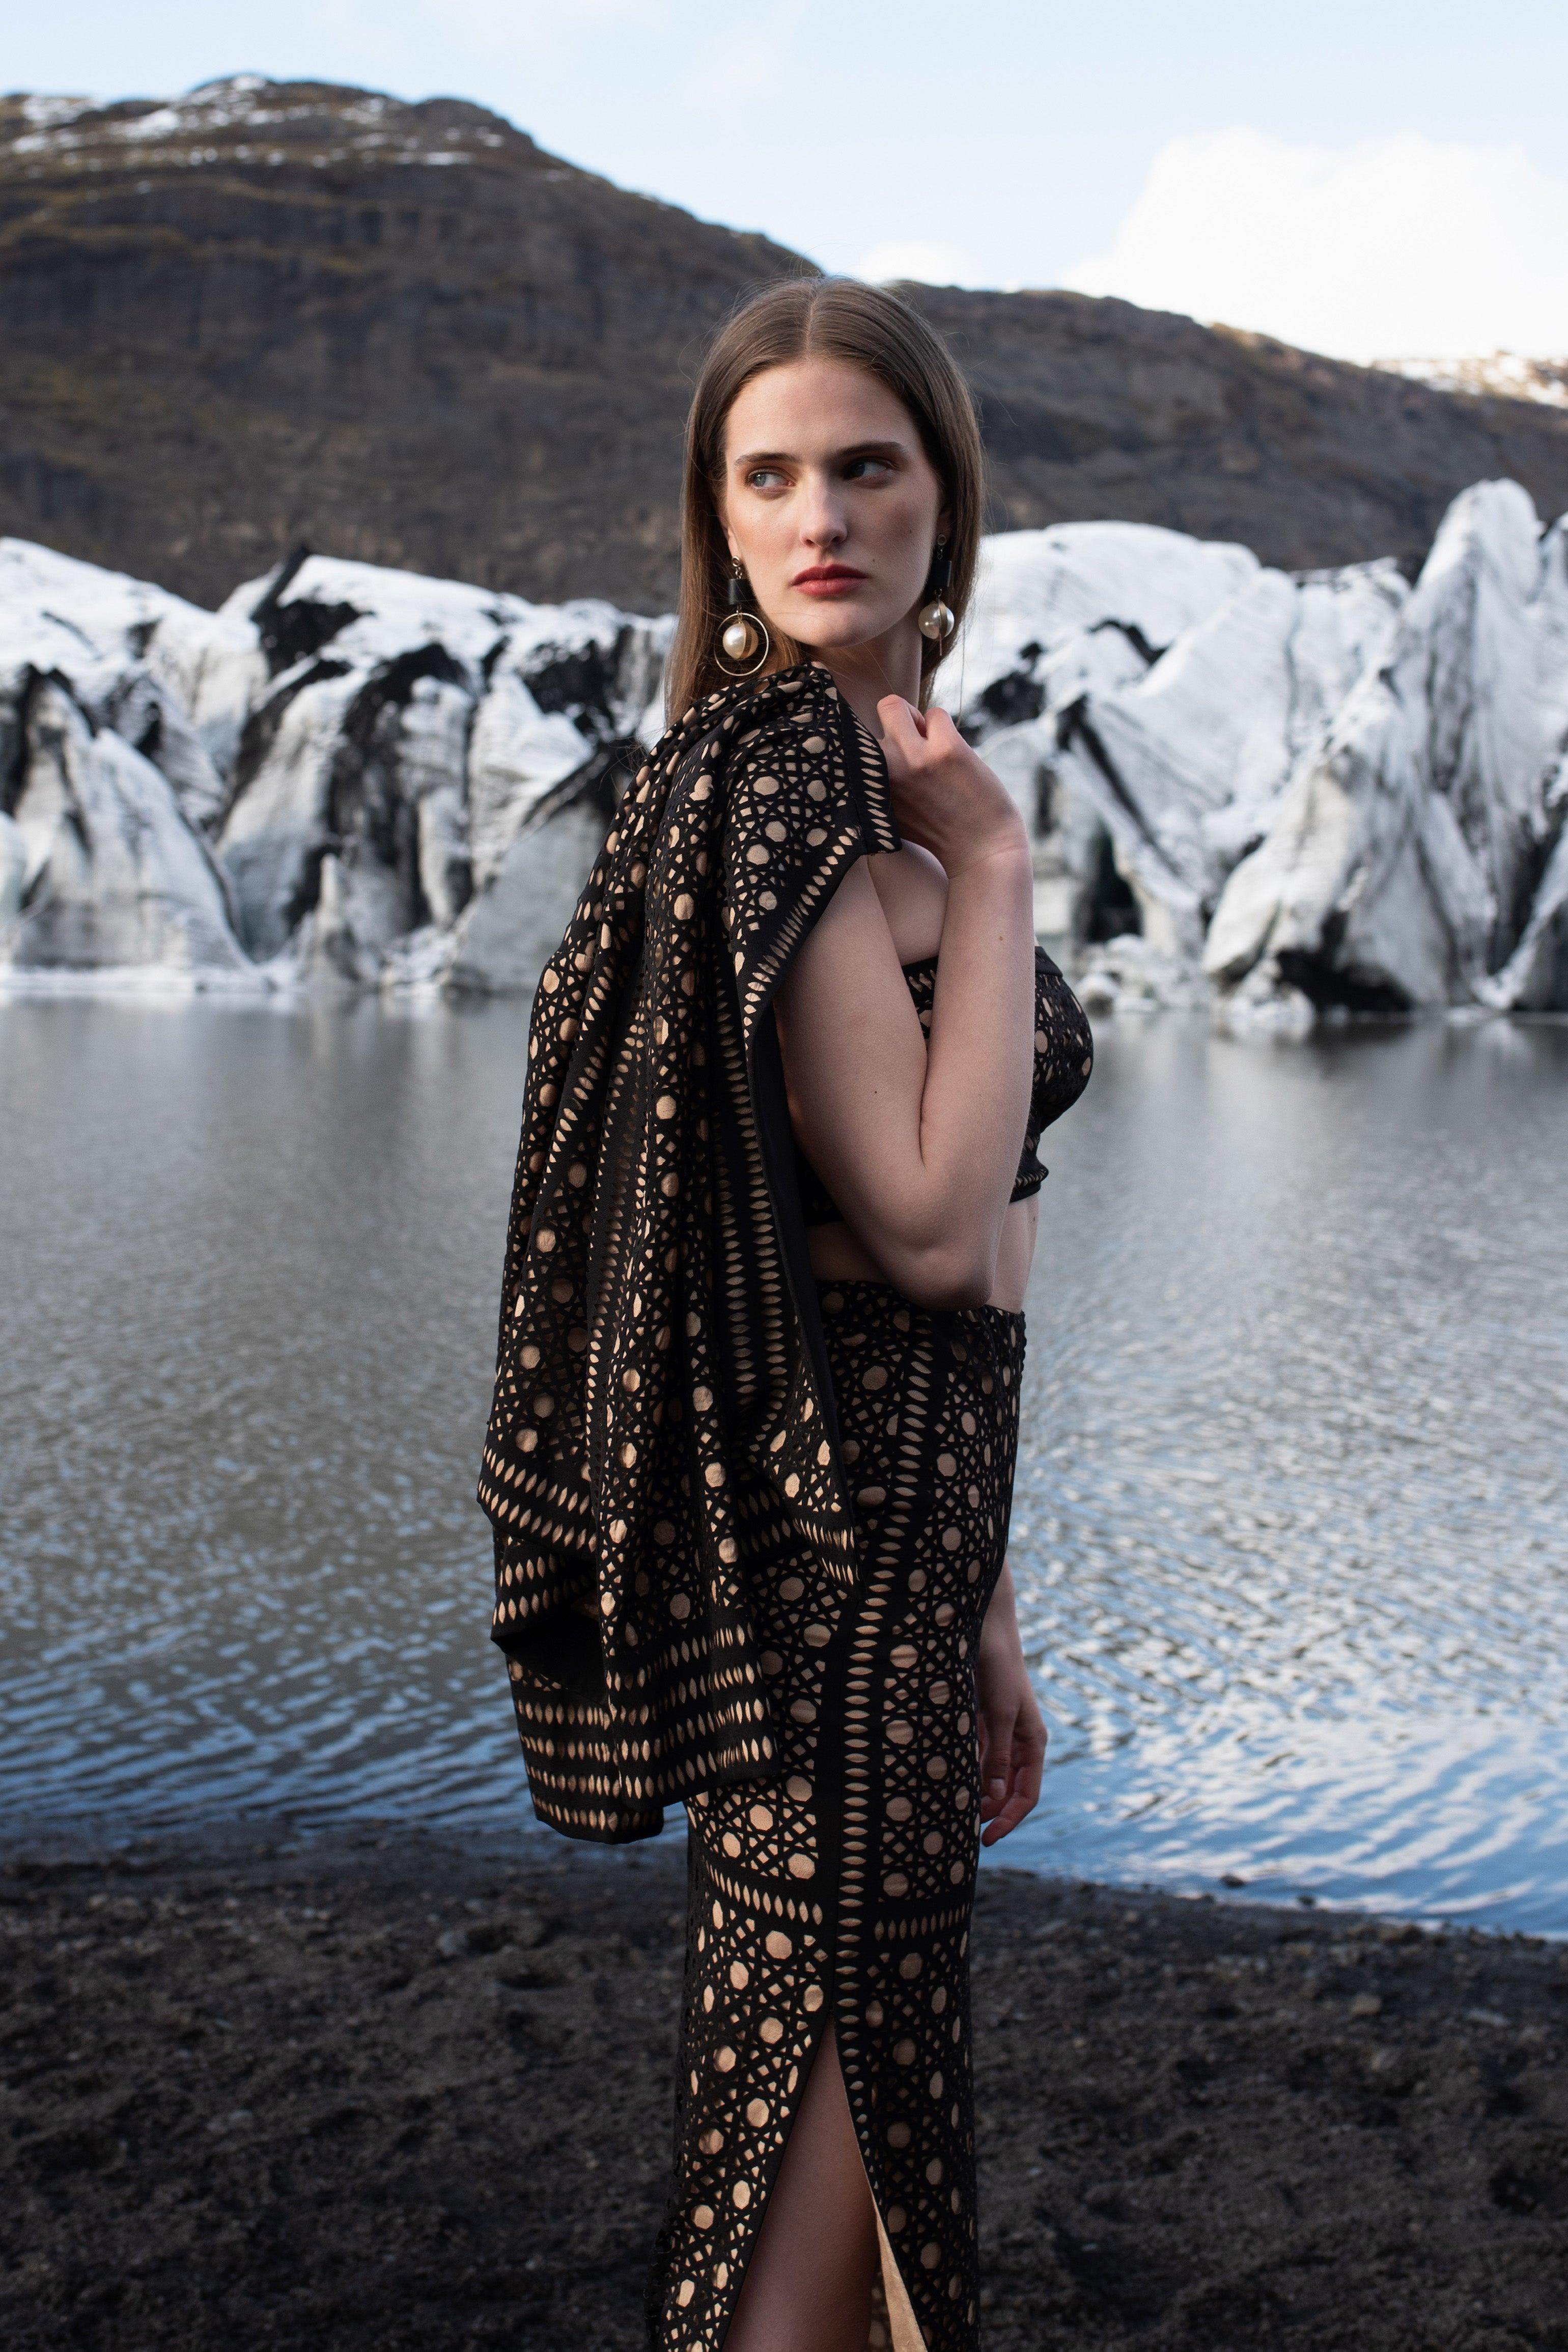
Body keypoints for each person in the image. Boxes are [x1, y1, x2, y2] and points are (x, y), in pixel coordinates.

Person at [478, 277, 1093, 2352]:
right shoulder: (777, 796)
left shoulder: (876, 785)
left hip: (905, 1579)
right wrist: (993, 870)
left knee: (857, 2144)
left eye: (864, 466)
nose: (818, 514)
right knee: (803, 2183)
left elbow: (996, 1228)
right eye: (769, 477)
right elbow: (924, 1229)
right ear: (718, 521)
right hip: (817, 1587)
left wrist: (988, 1606)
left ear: (945, 499)